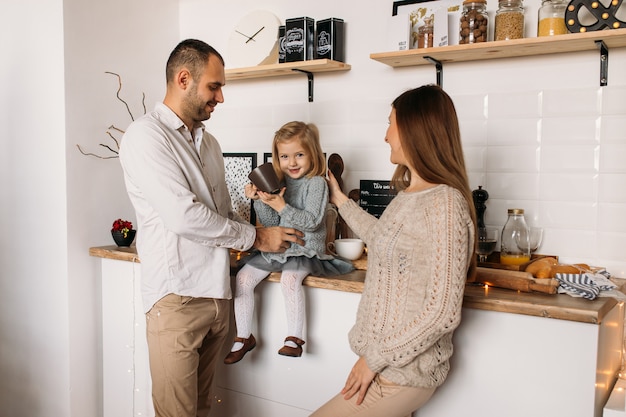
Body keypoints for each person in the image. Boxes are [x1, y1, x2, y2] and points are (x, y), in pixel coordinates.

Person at [118, 39, 304, 417]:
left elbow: (220, 214)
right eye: (214, 87)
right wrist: (258, 237)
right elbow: (184, 217)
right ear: (183, 79)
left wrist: (265, 231)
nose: (220, 98)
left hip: (217, 298)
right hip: (177, 302)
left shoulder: (211, 144)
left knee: (202, 412)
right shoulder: (145, 136)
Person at [310, 85, 477, 417]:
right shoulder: (409, 196)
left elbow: (442, 312)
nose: (386, 135)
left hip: (400, 375)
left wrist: (373, 360)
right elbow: (384, 238)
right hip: (387, 367)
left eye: (391, 123)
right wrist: (340, 200)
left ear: (415, 129)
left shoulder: (444, 203)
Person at [224, 121, 354, 364]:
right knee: (242, 279)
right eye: (285, 156)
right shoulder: (279, 182)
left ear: (313, 154)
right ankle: (243, 336)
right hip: (279, 249)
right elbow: (272, 222)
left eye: (299, 155)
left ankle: (294, 338)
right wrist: (262, 201)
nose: (292, 162)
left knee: (290, 280)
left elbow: (313, 221)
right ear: (277, 158)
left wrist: (282, 205)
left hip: (305, 250)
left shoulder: (316, 183)